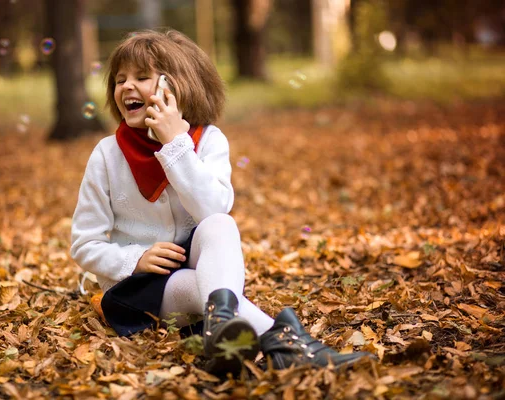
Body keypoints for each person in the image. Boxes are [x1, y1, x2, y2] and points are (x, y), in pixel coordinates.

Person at [70, 29, 373, 376]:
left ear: (176, 85)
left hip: (199, 269)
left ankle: (227, 327)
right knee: (201, 289)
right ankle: (287, 343)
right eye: (119, 80)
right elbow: (84, 243)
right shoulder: (107, 155)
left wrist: (174, 144)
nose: (126, 87)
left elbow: (213, 211)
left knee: (220, 224)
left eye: (142, 77)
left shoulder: (207, 141)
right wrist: (134, 258)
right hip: (137, 288)